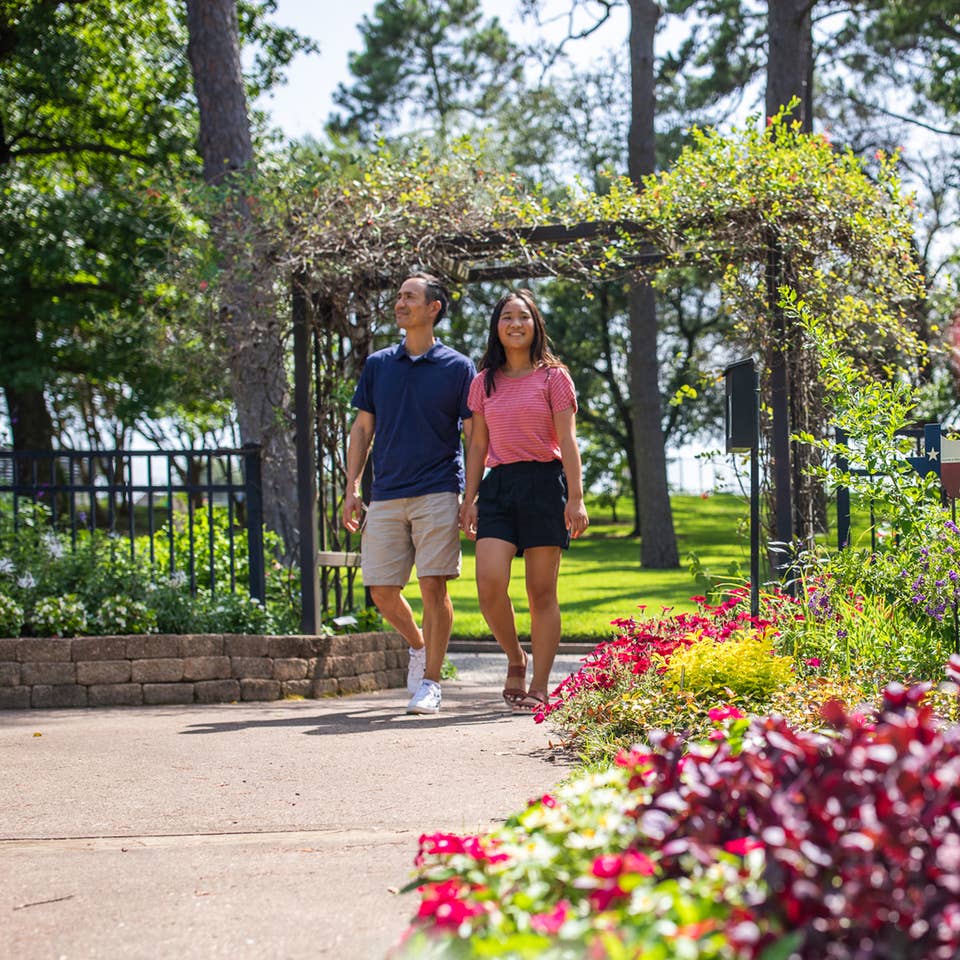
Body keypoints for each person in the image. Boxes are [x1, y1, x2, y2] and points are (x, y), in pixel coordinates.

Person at [343, 273, 475, 715]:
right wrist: (352, 487)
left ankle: (432, 683)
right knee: (381, 588)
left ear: (433, 307)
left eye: (410, 297)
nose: (400, 303)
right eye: (398, 296)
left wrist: (470, 494)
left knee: (433, 585)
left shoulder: (458, 367)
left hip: (438, 489)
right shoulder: (379, 364)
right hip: (386, 493)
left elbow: (475, 436)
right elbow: (363, 429)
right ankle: (419, 646)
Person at [458, 289, 588, 713]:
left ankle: (541, 683)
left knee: (540, 592)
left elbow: (568, 441)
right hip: (499, 486)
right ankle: (516, 656)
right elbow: (477, 445)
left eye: (524, 317)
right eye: (507, 317)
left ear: (536, 326)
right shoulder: (484, 381)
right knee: (489, 583)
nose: (515, 324)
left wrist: (576, 498)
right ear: (497, 326)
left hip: (544, 484)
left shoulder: (554, 377)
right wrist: (470, 497)